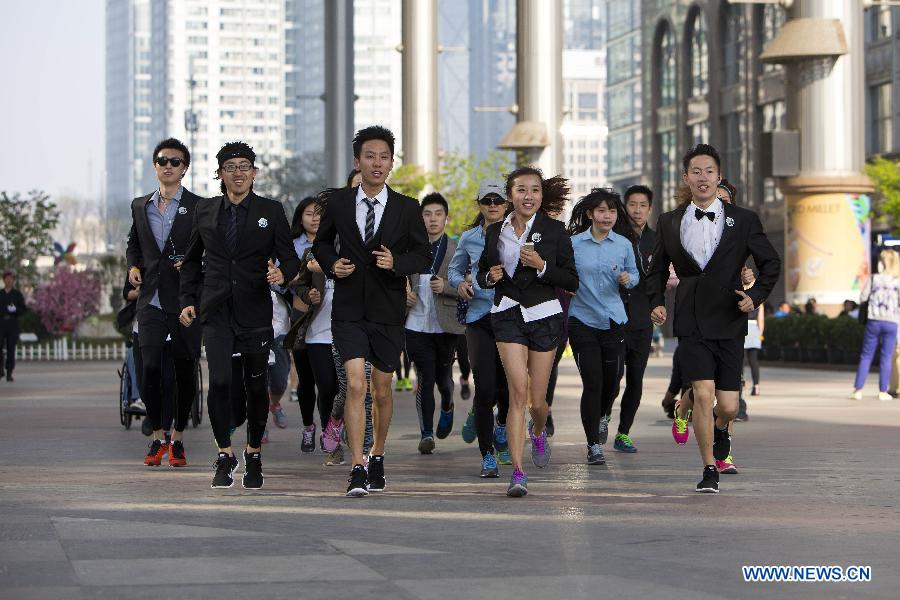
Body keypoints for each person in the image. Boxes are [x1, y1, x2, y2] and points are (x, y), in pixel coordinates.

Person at [646, 144, 780, 493]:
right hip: (690, 318)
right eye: (696, 172)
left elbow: (771, 262)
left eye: (708, 171)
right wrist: (656, 302)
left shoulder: (744, 219)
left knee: (730, 406)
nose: (702, 178)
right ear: (686, 178)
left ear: (718, 176)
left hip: (729, 316)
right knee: (703, 395)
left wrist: (755, 296)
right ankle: (709, 469)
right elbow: (657, 269)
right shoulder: (669, 221)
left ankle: (722, 429)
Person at [313, 125, 431, 497]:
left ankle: (377, 454)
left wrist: (397, 263)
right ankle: (357, 466)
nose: (377, 163)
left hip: (387, 310)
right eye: (369, 156)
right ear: (357, 161)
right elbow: (321, 245)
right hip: (348, 308)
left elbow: (423, 255)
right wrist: (332, 264)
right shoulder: (338, 203)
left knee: (381, 390)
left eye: (383, 157)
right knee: (355, 384)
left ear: (391, 163)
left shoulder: (407, 207)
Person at [179, 141, 300, 489]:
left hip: (255, 311)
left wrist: (281, 274)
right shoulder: (204, 210)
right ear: (219, 173)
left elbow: (290, 258)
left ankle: (254, 453)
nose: (238, 173)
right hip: (216, 309)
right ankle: (224, 454)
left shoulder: (270, 210)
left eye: (244, 166)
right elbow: (190, 261)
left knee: (255, 386)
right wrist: (187, 299)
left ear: (254, 173)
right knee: (219, 382)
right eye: (230, 167)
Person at [477, 167, 578, 497]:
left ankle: (538, 429)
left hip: (544, 315)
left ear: (541, 195)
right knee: (517, 393)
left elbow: (572, 280)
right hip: (506, 313)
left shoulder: (555, 231)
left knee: (537, 401)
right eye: (521, 190)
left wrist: (542, 266)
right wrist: (489, 278)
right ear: (511, 195)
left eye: (535, 190)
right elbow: (482, 273)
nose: (528, 196)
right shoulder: (495, 231)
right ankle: (518, 473)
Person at [125, 138, 203, 467]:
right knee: (150, 369)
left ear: (184, 168)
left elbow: (210, 248)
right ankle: (158, 437)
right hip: (151, 301)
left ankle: (179, 438)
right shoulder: (139, 205)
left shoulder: (200, 206)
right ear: (154, 166)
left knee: (185, 372)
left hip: (185, 300)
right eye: (162, 160)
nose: (168, 166)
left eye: (175, 161)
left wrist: (194, 264)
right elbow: (134, 243)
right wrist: (133, 266)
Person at [566, 189, 638, 465]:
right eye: (601, 211)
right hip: (582, 320)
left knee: (613, 381)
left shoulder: (623, 244)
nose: (607, 216)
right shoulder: (573, 244)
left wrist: (627, 279)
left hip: (613, 320)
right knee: (593, 383)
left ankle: (604, 414)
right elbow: (563, 273)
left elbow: (635, 276)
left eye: (612, 211)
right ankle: (593, 445)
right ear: (590, 214)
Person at [449, 179, 512, 476]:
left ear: (506, 204)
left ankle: (502, 426)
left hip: (511, 318)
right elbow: (454, 270)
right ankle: (487, 455)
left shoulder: (517, 235)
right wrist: (460, 284)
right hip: (479, 319)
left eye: (498, 200)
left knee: (508, 388)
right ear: (479, 204)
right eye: (487, 200)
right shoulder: (469, 237)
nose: (493, 205)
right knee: (485, 388)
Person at [404, 193, 465, 454]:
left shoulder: (457, 248)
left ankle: (448, 403)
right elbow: (396, 277)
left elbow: (468, 285)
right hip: (415, 324)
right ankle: (426, 434)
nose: (432, 219)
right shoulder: (409, 248)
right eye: (427, 214)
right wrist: (403, 294)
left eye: (438, 214)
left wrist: (447, 287)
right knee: (424, 378)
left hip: (445, 325)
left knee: (442, 379)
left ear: (446, 218)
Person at [606, 184, 657, 454]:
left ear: (650, 209)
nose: (637, 210)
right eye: (632, 205)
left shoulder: (657, 241)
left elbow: (661, 279)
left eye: (643, 205)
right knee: (613, 378)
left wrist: (658, 305)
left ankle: (623, 433)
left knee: (636, 380)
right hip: (615, 320)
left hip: (642, 322)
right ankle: (603, 415)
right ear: (625, 208)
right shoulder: (613, 239)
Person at [288, 196, 322, 448]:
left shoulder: (335, 243)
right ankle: (308, 426)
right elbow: (282, 278)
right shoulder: (291, 246)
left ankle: (332, 427)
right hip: (301, 315)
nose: (315, 218)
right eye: (310, 213)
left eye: (319, 214)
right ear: (301, 218)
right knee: (306, 378)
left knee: (329, 378)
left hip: (328, 316)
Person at [850, 248, 900, 401]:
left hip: (874, 320)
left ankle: (858, 390)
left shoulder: (873, 279)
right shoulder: (898, 281)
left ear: (882, 263)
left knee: (866, 355)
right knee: (886, 357)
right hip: (892, 322)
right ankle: (883, 391)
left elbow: (863, 297)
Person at [0, 271, 26, 382]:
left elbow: (23, 310)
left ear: (13, 280)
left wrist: (15, 310)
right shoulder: (0, 293)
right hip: (1, 323)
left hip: (12, 323)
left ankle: (9, 372)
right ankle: (0, 370)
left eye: (11, 278)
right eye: (7, 278)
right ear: (4, 280)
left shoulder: (17, 294)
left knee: (11, 348)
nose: (9, 280)